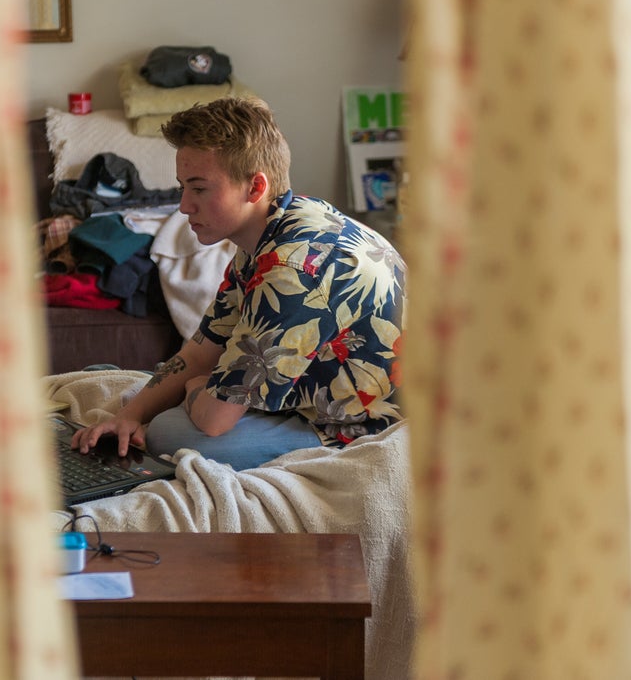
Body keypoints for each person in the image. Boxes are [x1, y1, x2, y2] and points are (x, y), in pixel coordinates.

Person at [72, 96, 406, 470]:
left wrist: (194, 387)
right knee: (146, 404)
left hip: (362, 423)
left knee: (170, 433)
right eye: (183, 187)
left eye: (199, 189)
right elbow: (202, 350)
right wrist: (127, 416)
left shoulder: (291, 270)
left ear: (254, 188)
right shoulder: (271, 230)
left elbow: (214, 418)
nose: (183, 206)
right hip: (315, 388)